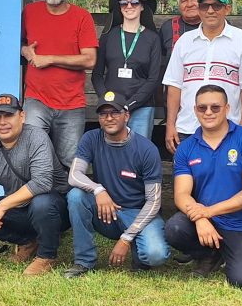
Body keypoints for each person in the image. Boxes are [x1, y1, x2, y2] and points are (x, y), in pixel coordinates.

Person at [165, 84, 242, 287]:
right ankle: (210, 253)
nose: (208, 112)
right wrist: (201, 218)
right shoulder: (186, 147)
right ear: (195, 110)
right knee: (174, 229)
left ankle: (234, 253)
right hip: (204, 222)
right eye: (202, 108)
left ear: (227, 109)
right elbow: (181, 194)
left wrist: (207, 212)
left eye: (215, 107)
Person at [0, 94, 70, 276]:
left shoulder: (37, 137)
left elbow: (42, 182)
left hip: (55, 208)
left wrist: (2, 206)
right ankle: (29, 241)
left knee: (41, 203)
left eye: (9, 115)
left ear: (22, 116)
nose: (2, 122)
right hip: (20, 206)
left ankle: (47, 256)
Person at [64, 91, 167, 277]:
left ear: (126, 116)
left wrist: (126, 239)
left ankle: (137, 248)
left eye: (115, 113)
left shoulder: (146, 149)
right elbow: (74, 175)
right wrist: (98, 190)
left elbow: (154, 201)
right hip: (107, 211)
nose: (109, 118)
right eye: (103, 114)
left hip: (138, 211)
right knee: (76, 196)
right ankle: (84, 261)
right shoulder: (91, 138)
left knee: (155, 255)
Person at [163, 0, 242, 154]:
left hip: (229, 129)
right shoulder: (185, 41)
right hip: (188, 128)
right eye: (204, 6)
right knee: (187, 179)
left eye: (216, 6)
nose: (210, 11)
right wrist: (171, 125)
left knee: (227, 179)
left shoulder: (241, 40)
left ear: (227, 9)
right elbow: (174, 85)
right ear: (199, 10)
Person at [20, 0, 98, 170]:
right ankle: (35, 201)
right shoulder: (29, 12)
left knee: (69, 161)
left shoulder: (82, 17)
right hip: (36, 99)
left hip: (71, 103)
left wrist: (50, 59)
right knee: (31, 154)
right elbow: (16, 44)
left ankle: (66, 201)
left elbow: (90, 60)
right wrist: (26, 51)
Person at [92, 0, 162, 137]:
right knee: (111, 153)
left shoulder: (153, 39)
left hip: (142, 108)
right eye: (124, 3)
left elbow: (154, 78)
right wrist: (108, 102)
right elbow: (97, 74)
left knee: (139, 154)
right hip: (111, 108)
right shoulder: (108, 36)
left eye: (134, 2)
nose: (129, 6)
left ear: (142, 6)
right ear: (119, 7)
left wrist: (130, 104)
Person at [159, 0, 205, 70]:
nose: (189, 4)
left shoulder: (218, 25)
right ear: (178, 4)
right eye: (184, 0)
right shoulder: (168, 27)